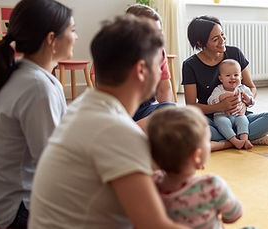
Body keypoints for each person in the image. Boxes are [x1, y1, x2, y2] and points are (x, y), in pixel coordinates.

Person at [29, 16, 186, 229]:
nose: (161, 71)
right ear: (141, 70)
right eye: (159, 64)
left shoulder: (84, 106)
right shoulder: (116, 131)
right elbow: (154, 224)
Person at [0, 0, 74, 227]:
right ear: (50, 39)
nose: (75, 37)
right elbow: (53, 162)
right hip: (21, 211)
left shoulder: (23, 73)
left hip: (9, 203)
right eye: (72, 31)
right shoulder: (38, 87)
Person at [182, 15, 268, 151]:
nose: (222, 41)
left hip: (239, 115)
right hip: (212, 118)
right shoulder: (190, 65)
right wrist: (219, 107)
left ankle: (228, 139)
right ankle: (242, 139)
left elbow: (251, 87)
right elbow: (191, 106)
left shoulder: (234, 53)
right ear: (200, 43)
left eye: (222, 35)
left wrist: (244, 104)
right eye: (215, 39)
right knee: (190, 126)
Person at [146, 106, 243, 228]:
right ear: (197, 156)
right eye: (208, 141)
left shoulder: (152, 184)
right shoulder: (211, 186)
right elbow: (234, 215)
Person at [125, 4, 176, 126]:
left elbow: (165, 90)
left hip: (145, 109)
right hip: (121, 111)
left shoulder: (159, 51)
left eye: (158, 32)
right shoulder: (112, 51)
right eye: (150, 32)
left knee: (171, 111)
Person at [208, 59, 254, 149]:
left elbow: (252, 101)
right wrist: (221, 97)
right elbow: (210, 101)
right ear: (221, 78)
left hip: (238, 115)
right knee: (222, 122)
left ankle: (245, 140)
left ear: (241, 77)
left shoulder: (242, 89)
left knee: (244, 120)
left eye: (236, 75)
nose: (233, 77)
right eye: (228, 75)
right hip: (222, 115)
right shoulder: (219, 89)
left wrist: (248, 100)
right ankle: (234, 141)